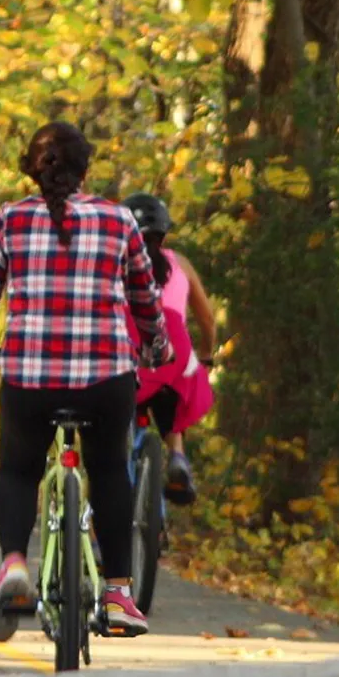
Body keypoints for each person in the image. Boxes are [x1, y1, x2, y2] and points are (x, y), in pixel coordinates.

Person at [0, 122, 172, 642]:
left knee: (18, 469)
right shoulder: (119, 220)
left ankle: (13, 565)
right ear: (85, 170)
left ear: (31, 168)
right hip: (106, 379)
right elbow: (145, 300)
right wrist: (158, 347)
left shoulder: (10, 219)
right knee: (110, 470)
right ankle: (119, 593)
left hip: (30, 378)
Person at [121, 192, 216, 505]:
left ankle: (116, 483)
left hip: (132, 351)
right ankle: (177, 456)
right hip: (175, 351)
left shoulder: (116, 264)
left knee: (120, 416)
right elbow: (207, 320)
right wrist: (207, 355)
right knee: (172, 399)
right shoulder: (182, 264)